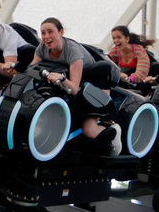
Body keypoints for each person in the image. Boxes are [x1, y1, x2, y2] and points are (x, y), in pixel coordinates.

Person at [31, 18, 121, 154]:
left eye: (50, 32)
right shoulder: (42, 48)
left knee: (90, 131)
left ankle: (114, 129)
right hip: (73, 84)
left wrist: (61, 78)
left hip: (91, 87)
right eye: (43, 33)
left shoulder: (73, 51)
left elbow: (73, 89)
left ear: (61, 32)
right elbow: (31, 69)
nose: (46, 37)